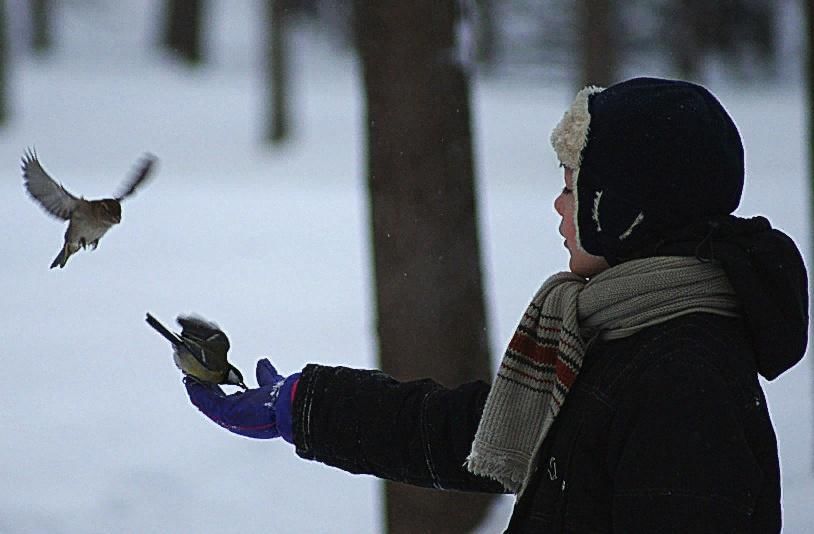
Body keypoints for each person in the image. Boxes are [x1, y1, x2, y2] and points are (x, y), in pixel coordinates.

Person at [178, 77, 808, 533]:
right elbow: (472, 434)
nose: (559, 207)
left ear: (624, 209)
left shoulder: (683, 380)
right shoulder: (621, 333)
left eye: (572, 186)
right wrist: (307, 406)